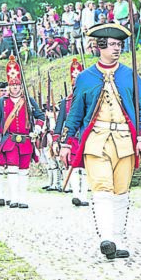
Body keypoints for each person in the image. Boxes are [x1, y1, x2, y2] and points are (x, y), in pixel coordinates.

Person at [59, 23, 141, 260]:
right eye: (112, 45)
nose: (117, 49)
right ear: (100, 47)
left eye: (119, 45)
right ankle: (106, 238)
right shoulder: (85, 77)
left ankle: (118, 239)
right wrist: (67, 142)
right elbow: (76, 112)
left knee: (121, 191)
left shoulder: (130, 75)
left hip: (124, 140)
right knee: (102, 189)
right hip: (96, 140)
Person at [0, 56, 45, 209]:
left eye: (17, 85)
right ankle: (13, 198)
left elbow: (40, 116)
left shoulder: (28, 100)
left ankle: (22, 198)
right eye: (12, 86)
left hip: (26, 140)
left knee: (24, 171)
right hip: (10, 141)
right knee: (12, 170)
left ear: (21, 86)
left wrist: (38, 128)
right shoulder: (2, 101)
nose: (15, 88)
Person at [52, 59, 88, 207]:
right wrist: (56, 140)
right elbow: (60, 123)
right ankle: (76, 195)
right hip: (72, 140)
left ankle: (84, 196)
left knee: (85, 170)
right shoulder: (66, 102)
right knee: (73, 168)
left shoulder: (90, 99)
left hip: (85, 138)